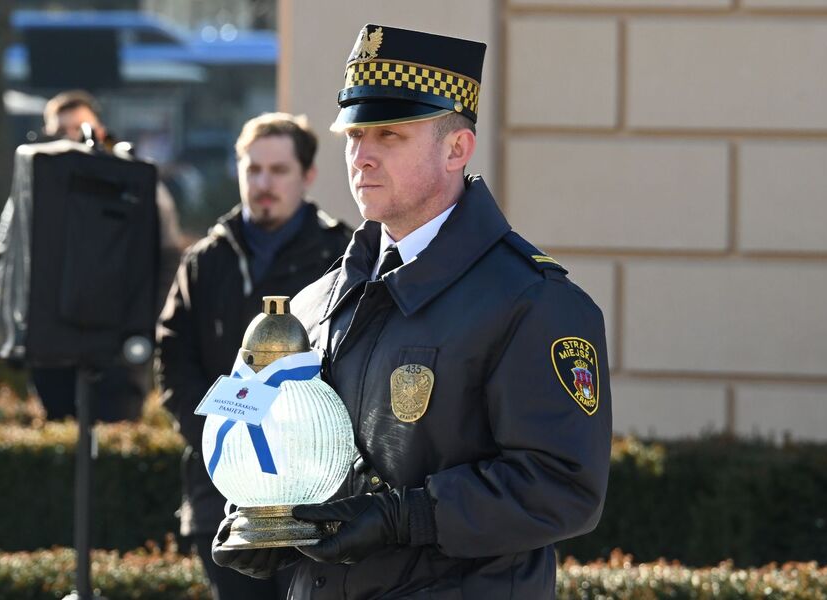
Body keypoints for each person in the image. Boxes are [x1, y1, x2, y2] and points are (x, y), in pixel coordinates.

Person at [211, 25, 613, 599]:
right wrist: (256, 512)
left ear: (457, 149)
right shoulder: (315, 301)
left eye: (389, 135)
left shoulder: (532, 302)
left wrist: (407, 517)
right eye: (354, 135)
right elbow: (278, 437)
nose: (362, 156)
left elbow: (563, 486)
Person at [156, 112, 353, 600]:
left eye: (278, 170)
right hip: (220, 495)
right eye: (253, 169)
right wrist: (220, 438)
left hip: (316, 502)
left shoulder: (344, 255)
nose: (263, 183)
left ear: (306, 176)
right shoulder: (207, 259)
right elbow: (173, 357)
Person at [0, 89, 183, 422]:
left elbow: (168, 255)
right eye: (60, 132)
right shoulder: (31, 189)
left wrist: (145, 320)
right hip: (51, 347)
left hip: (118, 347)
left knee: (115, 441)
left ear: (101, 131)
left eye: (79, 129)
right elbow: (6, 253)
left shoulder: (137, 183)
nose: (71, 140)